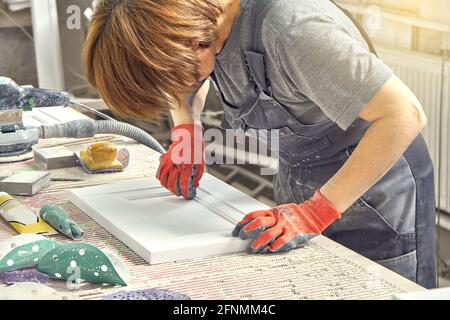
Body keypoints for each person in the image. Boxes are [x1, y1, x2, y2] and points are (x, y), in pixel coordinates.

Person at [83, 0, 436, 288]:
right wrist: (186, 133)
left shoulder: (293, 29)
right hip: (299, 173)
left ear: (192, 40)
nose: (180, 84)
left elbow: (404, 114)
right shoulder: (199, 25)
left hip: (378, 191)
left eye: (179, 72)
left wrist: (317, 211)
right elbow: (182, 80)